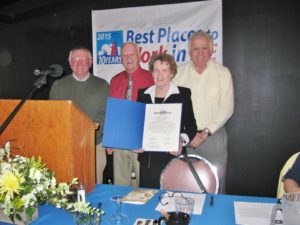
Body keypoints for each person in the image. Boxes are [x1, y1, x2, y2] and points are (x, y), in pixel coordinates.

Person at [173, 31, 234, 193]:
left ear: (211, 50)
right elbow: (174, 107)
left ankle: (216, 217)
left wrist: (206, 132)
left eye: (204, 48)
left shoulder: (222, 73)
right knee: (188, 185)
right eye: (195, 49)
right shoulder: (178, 73)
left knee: (217, 185)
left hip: (214, 137)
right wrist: (187, 134)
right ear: (189, 51)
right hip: (187, 138)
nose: (199, 53)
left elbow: (227, 108)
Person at [136, 53, 197, 188]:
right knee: (148, 198)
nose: (159, 74)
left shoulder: (183, 94)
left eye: (164, 70)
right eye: (156, 70)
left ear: (172, 73)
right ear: (151, 72)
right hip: (148, 160)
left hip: (172, 158)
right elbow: (137, 125)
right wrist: (135, 142)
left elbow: (192, 126)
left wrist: (181, 140)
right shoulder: (143, 94)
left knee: (170, 200)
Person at [49, 46, 109, 184]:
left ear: (91, 62)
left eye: (84, 59)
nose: (79, 63)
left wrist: (94, 135)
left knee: (94, 186)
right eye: (75, 59)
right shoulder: (58, 85)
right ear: (70, 63)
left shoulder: (102, 85)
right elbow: (53, 117)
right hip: (67, 147)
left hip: (95, 146)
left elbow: (107, 115)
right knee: (67, 186)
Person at [108, 42, 154, 186]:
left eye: (132, 54)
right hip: (120, 142)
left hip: (142, 142)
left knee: (143, 184)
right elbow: (112, 112)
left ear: (139, 56)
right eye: (124, 55)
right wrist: (110, 140)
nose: (128, 58)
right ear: (120, 58)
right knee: (120, 184)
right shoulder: (115, 80)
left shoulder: (151, 78)